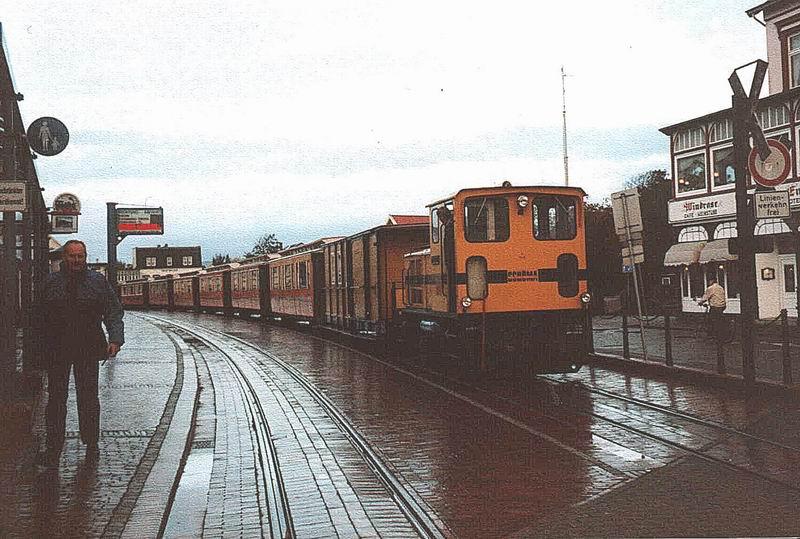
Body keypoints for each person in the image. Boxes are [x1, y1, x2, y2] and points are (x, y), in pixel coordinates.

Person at [36, 240, 124, 467]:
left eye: (81, 256)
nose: (77, 260)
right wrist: (38, 348)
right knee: (56, 400)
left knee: (89, 398)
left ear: (85, 257)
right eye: (72, 256)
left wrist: (115, 338)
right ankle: (53, 446)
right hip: (57, 348)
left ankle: (91, 441)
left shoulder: (98, 282)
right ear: (64, 258)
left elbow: (112, 311)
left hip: (88, 347)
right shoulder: (50, 283)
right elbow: (37, 318)